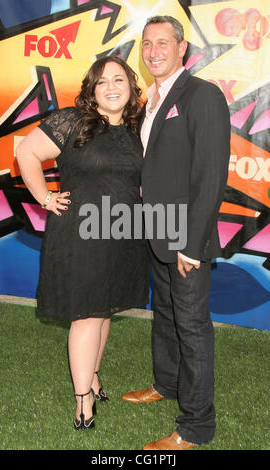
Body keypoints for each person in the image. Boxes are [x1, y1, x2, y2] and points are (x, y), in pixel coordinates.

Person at [16, 56, 149, 430]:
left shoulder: (140, 127)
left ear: (130, 87)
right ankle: (83, 400)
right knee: (88, 314)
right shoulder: (72, 120)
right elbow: (26, 152)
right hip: (82, 232)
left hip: (123, 232)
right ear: (91, 89)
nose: (111, 87)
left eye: (119, 79)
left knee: (104, 310)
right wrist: (44, 197)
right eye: (102, 81)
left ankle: (91, 375)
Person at [122, 16, 231, 450]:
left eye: (162, 43)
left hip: (186, 236)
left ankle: (196, 427)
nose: (153, 51)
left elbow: (209, 177)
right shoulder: (153, 98)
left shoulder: (202, 95)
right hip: (157, 229)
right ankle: (166, 384)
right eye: (147, 44)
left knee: (191, 326)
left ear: (182, 48)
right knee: (165, 316)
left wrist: (191, 243)